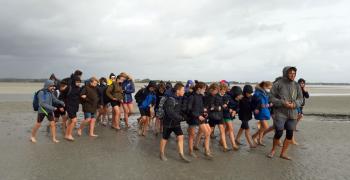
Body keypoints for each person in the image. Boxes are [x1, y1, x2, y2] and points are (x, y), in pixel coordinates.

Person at [268, 66, 303, 160]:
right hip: (280, 112)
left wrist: (294, 104)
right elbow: (271, 97)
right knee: (279, 132)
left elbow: (301, 99)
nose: (293, 75)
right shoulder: (278, 84)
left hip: (292, 113)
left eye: (294, 73)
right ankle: (273, 150)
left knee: (289, 134)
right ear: (286, 73)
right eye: (290, 73)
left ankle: (283, 153)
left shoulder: (297, 85)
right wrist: (283, 103)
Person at [159, 83, 190, 163]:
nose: (184, 91)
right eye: (183, 90)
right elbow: (170, 112)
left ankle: (181, 154)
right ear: (178, 91)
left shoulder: (178, 98)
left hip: (176, 123)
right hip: (168, 123)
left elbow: (179, 110)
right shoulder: (170, 99)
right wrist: (181, 118)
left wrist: (184, 116)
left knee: (181, 136)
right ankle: (161, 153)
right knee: (165, 138)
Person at [189, 82, 213, 159]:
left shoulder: (201, 96)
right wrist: (198, 115)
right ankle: (191, 151)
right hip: (193, 118)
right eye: (204, 89)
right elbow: (189, 109)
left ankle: (206, 150)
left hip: (200, 117)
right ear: (199, 89)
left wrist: (204, 112)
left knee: (208, 131)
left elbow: (201, 107)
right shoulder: (192, 96)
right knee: (192, 135)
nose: (205, 90)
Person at [205, 83, 229, 152]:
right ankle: (205, 143)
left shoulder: (220, 96)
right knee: (210, 130)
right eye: (218, 89)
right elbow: (211, 106)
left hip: (220, 115)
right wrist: (217, 108)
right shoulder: (212, 96)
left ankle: (225, 147)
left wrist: (225, 105)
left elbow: (221, 106)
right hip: (213, 116)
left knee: (222, 130)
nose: (223, 91)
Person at [252, 81, 273, 146]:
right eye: (269, 87)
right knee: (266, 127)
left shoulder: (264, 92)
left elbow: (265, 102)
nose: (269, 89)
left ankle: (259, 140)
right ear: (264, 86)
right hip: (260, 112)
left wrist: (269, 104)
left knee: (262, 127)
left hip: (264, 111)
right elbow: (260, 104)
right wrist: (268, 105)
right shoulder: (258, 93)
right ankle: (254, 136)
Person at [219, 83, 239, 151]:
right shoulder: (218, 96)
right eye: (223, 90)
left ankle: (233, 145)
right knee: (226, 129)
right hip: (220, 115)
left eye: (225, 90)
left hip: (227, 114)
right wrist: (228, 108)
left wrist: (233, 110)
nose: (224, 91)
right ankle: (226, 144)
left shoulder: (227, 96)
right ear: (219, 89)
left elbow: (231, 104)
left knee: (230, 129)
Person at [292, 78, 310, 145]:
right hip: (297, 106)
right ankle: (293, 127)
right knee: (299, 116)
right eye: (301, 83)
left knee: (299, 116)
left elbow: (307, 96)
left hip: (301, 106)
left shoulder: (303, 89)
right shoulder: (296, 89)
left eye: (303, 83)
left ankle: (294, 127)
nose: (302, 84)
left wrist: (305, 91)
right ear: (298, 83)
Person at [64, 75, 82, 141]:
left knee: (70, 121)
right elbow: (62, 96)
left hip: (75, 107)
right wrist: (62, 105)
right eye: (77, 81)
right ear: (74, 81)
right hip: (69, 106)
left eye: (79, 82)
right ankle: (69, 135)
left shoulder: (79, 88)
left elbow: (79, 98)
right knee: (74, 121)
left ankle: (66, 135)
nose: (78, 83)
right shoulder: (69, 87)